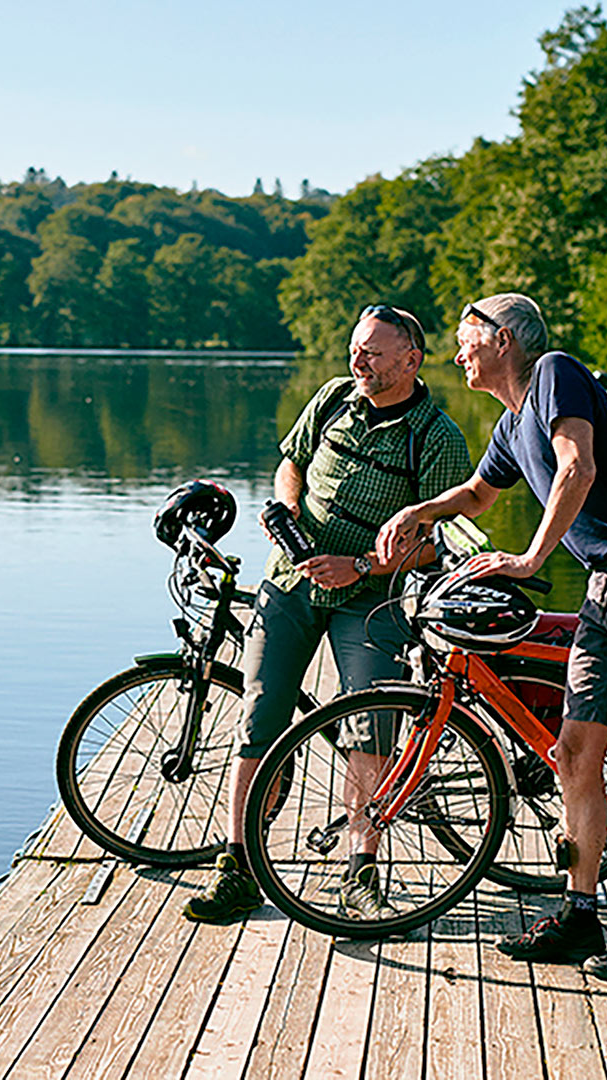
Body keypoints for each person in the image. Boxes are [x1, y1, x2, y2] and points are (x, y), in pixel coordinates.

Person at [375, 293, 607, 980]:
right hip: (605, 583)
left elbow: (576, 466)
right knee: (575, 754)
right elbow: (475, 494)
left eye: (467, 339)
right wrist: (419, 509)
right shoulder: (509, 423)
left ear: (505, 340)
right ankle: (580, 913)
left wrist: (529, 560)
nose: (457, 353)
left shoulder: (553, 372)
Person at [182, 304, 472, 925]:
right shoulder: (333, 398)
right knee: (259, 714)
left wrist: (361, 566)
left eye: (371, 352)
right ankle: (236, 867)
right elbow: (292, 461)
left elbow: (435, 545)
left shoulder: (438, 437)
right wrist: (286, 509)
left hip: (373, 599)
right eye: (354, 349)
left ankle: (360, 870)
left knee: (371, 727)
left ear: (410, 360)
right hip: (289, 583)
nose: (357, 361)